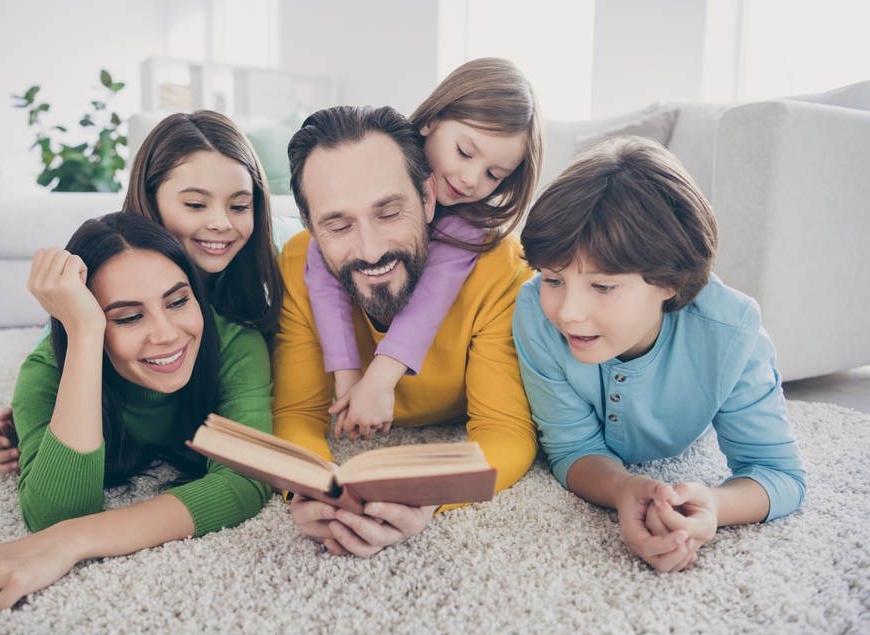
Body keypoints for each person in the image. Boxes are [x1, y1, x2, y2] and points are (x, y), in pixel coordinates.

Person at [0, 213, 275, 616]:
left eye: (178, 300)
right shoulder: (46, 371)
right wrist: (84, 336)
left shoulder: (236, 342)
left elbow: (244, 479)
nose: (166, 333)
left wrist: (73, 541)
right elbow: (54, 513)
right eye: (128, 317)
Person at [512, 136, 806, 573]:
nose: (568, 313)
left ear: (672, 282)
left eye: (603, 286)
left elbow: (780, 475)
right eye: (553, 278)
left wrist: (713, 505)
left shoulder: (732, 333)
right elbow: (572, 446)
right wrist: (623, 489)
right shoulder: (536, 310)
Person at [274, 105, 538, 558]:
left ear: (429, 197)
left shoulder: (501, 268)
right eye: (337, 225)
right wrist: (312, 487)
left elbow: (506, 432)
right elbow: (296, 414)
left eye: (390, 213)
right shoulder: (300, 262)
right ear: (308, 223)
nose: (371, 250)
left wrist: (429, 492)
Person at [0, 110, 284, 473]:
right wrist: (40, 411)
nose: (221, 224)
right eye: (195, 204)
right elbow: (62, 346)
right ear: (149, 200)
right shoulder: (114, 263)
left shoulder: (274, 262)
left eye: (239, 206)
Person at [304, 58, 544, 442]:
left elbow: (431, 297)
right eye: (465, 152)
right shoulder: (378, 159)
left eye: (493, 175)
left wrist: (380, 380)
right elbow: (321, 273)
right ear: (431, 119)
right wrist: (346, 376)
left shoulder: (468, 225)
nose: (469, 180)